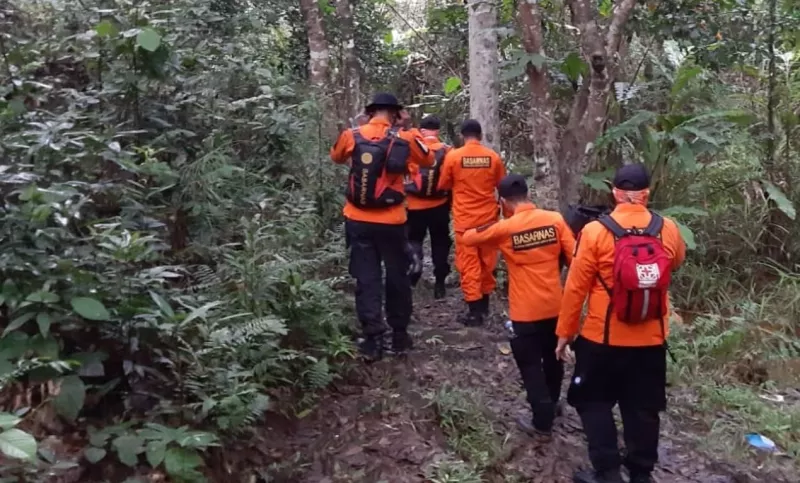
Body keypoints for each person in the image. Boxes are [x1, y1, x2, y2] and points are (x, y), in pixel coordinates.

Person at [555, 164, 686, 483]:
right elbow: (675, 262)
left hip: (602, 339)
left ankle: (608, 472)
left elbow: (576, 287)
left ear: (614, 192)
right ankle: (641, 473)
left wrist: (564, 334)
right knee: (643, 408)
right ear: (646, 194)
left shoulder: (596, 232)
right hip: (652, 340)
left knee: (593, 401)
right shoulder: (667, 228)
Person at [462, 174, 575, 437]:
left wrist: (493, 221)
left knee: (529, 364)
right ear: (527, 194)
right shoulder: (555, 220)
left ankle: (542, 419)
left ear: (503, 201)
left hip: (525, 311)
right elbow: (575, 258)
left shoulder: (506, 228)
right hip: (555, 305)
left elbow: (469, 238)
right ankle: (553, 402)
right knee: (553, 357)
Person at [330, 93, 434, 362]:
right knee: (397, 276)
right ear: (396, 113)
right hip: (393, 221)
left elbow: (336, 157)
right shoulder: (406, 138)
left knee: (367, 278)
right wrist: (407, 130)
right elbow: (429, 161)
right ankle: (399, 335)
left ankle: (373, 339)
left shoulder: (352, 134)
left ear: (370, 111)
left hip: (357, 218)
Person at [438, 119, 506, 326]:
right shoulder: (492, 157)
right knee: (487, 262)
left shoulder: (454, 157)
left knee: (469, 266)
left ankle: (474, 311)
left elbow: (443, 184)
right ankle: (484, 306)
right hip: (488, 220)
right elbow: (501, 185)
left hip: (465, 222)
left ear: (462, 135)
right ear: (481, 135)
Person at [404, 115, 452, 298]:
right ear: (438, 131)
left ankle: (414, 270)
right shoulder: (448, 151)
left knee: (414, 239)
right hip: (439, 206)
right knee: (440, 242)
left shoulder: (412, 149)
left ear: (422, 130)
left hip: (413, 205)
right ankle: (440, 282)